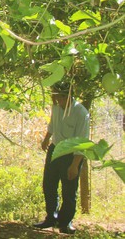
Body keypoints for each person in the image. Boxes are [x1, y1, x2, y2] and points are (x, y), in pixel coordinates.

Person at [33, 81, 90, 235]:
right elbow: (53, 124)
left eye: (61, 97)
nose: (58, 100)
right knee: (49, 184)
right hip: (55, 149)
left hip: (72, 154)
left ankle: (65, 222)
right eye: (56, 97)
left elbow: (82, 142)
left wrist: (74, 165)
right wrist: (46, 139)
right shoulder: (57, 107)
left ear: (69, 96)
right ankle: (51, 217)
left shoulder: (81, 113)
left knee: (69, 190)